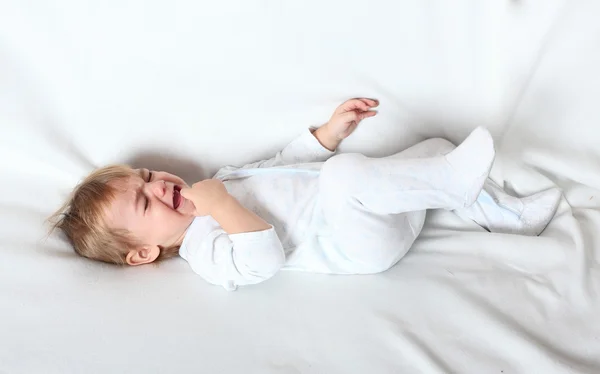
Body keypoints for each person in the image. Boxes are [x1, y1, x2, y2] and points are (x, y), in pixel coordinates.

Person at [49, 98, 561, 291]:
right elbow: (262, 262)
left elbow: (282, 166)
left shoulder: (220, 179)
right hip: (361, 247)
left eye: (145, 174)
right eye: (144, 201)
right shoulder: (205, 248)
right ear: (144, 253)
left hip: (386, 209)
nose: (157, 184)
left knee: (430, 147)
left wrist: (328, 134)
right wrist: (221, 207)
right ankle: (451, 183)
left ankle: (508, 214)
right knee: (344, 177)